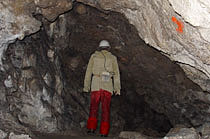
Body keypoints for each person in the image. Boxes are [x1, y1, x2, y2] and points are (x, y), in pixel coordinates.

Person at [83, 40, 121, 137]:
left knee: (93, 107)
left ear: (99, 48)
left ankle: (91, 128)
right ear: (108, 48)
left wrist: (86, 86)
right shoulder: (113, 58)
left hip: (95, 84)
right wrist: (117, 88)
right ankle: (104, 132)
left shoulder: (94, 56)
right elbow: (116, 74)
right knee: (106, 109)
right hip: (107, 85)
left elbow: (88, 72)